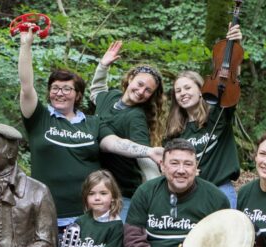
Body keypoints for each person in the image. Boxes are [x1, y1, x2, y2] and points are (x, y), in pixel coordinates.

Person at [18, 26, 162, 232]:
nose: (60, 93)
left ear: (77, 95)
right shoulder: (39, 117)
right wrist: (26, 45)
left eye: (67, 89)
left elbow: (115, 143)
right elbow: (26, 86)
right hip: (45, 215)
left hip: (89, 218)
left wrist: (149, 151)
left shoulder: (94, 123)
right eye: (55, 88)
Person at [164, 25, 242, 208]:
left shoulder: (219, 114)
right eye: (178, 91)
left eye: (187, 88)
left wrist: (235, 43)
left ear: (200, 90)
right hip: (188, 194)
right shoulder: (175, 131)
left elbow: (232, 83)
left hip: (220, 190)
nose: (182, 93)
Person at [90, 43, 166, 219]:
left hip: (122, 195)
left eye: (148, 91)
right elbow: (97, 92)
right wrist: (103, 66)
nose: (140, 92)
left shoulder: (135, 117)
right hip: (98, 189)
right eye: (139, 84)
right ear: (130, 78)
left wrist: (157, 194)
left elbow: (146, 157)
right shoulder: (111, 97)